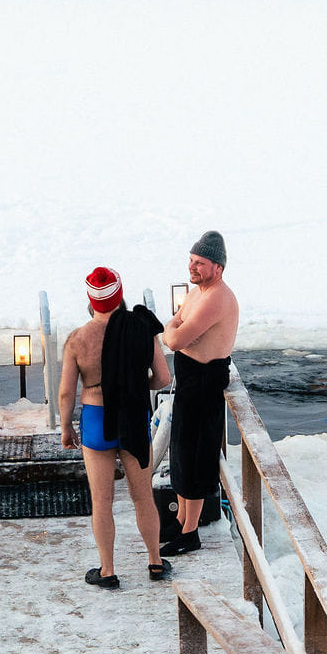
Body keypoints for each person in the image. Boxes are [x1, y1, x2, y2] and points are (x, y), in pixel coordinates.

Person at [60, 266, 172, 587]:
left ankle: (108, 571)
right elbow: (164, 378)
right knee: (142, 496)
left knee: (102, 501)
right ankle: (155, 562)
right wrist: (137, 383)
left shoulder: (77, 340)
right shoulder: (141, 330)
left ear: (90, 300)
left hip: (96, 420)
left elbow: (67, 392)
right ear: (120, 296)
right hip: (134, 416)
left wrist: (67, 427)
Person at [158, 230, 240, 556]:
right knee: (179, 454)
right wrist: (173, 330)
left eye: (200, 263)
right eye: (191, 261)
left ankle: (190, 533)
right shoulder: (197, 292)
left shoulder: (216, 298)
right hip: (190, 381)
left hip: (204, 383)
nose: (192, 267)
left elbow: (174, 338)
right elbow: (172, 326)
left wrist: (173, 332)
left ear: (217, 267)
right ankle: (183, 527)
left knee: (192, 457)